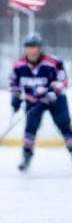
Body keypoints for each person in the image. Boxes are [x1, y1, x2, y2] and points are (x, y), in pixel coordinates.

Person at [10, 33, 72, 171]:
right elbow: (14, 84)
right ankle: (26, 157)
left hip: (56, 100)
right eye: (29, 47)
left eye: (35, 47)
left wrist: (50, 94)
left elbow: (63, 81)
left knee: (65, 127)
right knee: (30, 129)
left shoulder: (54, 62)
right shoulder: (19, 66)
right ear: (25, 49)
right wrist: (16, 99)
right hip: (34, 101)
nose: (32, 50)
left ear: (40, 48)